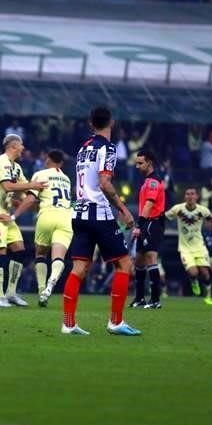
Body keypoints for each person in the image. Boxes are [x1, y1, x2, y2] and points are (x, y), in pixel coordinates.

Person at [61, 106, 139, 336]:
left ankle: (68, 323)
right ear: (111, 122)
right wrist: (123, 208)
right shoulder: (109, 148)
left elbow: (82, 183)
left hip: (80, 212)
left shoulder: (82, 149)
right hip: (100, 214)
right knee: (124, 264)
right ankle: (115, 322)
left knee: (79, 268)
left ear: (90, 123)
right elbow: (105, 183)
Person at [0, 134, 46, 308]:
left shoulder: (16, 168)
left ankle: (11, 293)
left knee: (19, 249)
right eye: (21, 145)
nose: (24, 148)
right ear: (13, 146)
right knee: (0, 251)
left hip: (6, 215)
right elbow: (8, 186)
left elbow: (26, 192)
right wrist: (32, 186)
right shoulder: (1, 161)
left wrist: (42, 202)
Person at [1, 149, 72, 307]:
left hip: (46, 216)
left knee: (40, 254)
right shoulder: (66, 179)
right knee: (58, 257)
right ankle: (50, 287)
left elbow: (32, 200)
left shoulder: (40, 174)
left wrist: (14, 215)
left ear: (47, 160)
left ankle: (41, 290)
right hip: (65, 218)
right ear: (61, 163)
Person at [165, 188, 212, 306]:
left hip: (200, 247)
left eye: (192, 194)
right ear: (185, 197)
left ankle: (208, 297)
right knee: (193, 272)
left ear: (196, 197)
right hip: (185, 249)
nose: (190, 196)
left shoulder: (202, 210)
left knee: (205, 274)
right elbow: (162, 217)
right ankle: (194, 281)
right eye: (187, 194)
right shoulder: (177, 209)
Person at [130, 149, 167, 309]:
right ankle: (139, 298)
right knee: (138, 260)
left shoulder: (153, 182)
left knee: (151, 258)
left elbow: (149, 204)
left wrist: (139, 225)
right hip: (147, 223)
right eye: (136, 163)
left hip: (152, 223)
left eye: (140, 163)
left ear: (149, 163)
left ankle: (155, 299)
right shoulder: (146, 181)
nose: (137, 166)